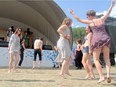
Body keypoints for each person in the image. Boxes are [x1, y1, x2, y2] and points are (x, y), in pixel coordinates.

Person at [69, 0, 114, 83]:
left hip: (96, 40)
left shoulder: (90, 22)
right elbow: (109, 11)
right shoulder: (102, 19)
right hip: (105, 38)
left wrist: (72, 13)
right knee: (107, 59)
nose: (87, 18)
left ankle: (101, 76)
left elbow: (79, 19)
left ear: (90, 16)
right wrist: (112, 4)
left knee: (96, 59)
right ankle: (108, 75)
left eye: (87, 16)